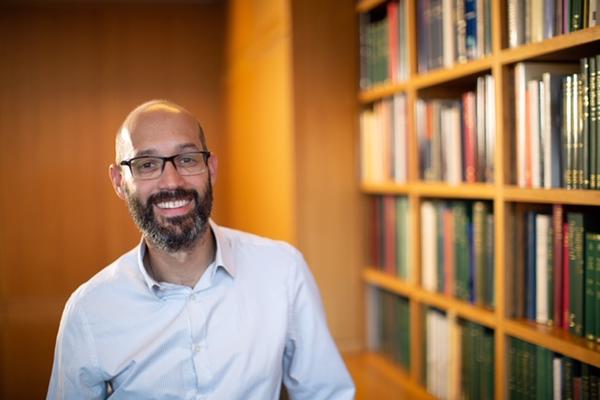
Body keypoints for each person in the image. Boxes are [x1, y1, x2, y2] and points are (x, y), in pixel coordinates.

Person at [46, 100, 355, 399]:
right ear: (118, 181)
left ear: (211, 168)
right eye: (147, 164)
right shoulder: (88, 310)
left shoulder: (283, 271)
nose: (172, 181)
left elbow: (327, 394)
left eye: (187, 159)